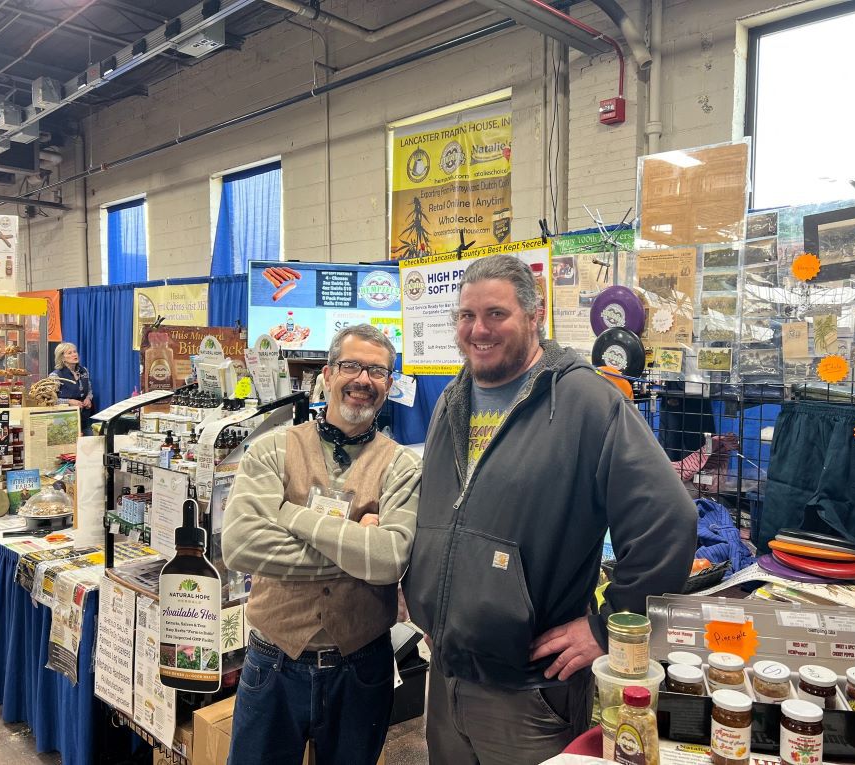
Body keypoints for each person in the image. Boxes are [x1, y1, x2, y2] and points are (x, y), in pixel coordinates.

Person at [403, 255, 697, 765]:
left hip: (529, 693)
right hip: (446, 675)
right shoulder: (452, 400)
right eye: (466, 316)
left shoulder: (585, 401)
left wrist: (607, 627)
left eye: (496, 314)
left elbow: (668, 519)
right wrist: (425, 592)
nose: (478, 329)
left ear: (536, 316)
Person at [221, 324, 421, 765]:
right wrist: (358, 546)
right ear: (327, 375)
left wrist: (290, 516)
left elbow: (388, 561)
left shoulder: (403, 466)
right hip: (274, 661)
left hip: (361, 665)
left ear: (389, 384)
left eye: (378, 371)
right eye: (351, 366)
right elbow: (239, 545)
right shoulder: (271, 450)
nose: (363, 380)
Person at [50, 342, 93, 434]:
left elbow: (89, 389)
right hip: (64, 421)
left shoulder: (83, 371)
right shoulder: (56, 375)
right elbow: (50, 400)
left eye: (75, 351)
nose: (74, 354)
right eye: (69, 353)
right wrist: (69, 402)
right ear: (62, 358)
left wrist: (88, 398)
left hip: (84, 418)